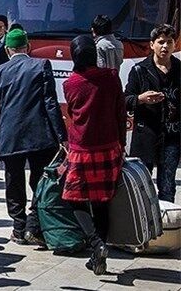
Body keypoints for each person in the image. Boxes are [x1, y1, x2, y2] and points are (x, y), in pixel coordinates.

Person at [0, 29, 67, 246]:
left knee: (13, 181)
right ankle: (34, 226)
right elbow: (50, 103)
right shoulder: (41, 65)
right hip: (39, 134)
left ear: (8, 50)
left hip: (10, 135)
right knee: (40, 181)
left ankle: (18, 227)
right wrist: (61, 136)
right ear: (28, 47)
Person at [62, 35, 126, 276]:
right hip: (109, 147)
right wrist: (121, 144)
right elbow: (120, 112)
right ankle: (100, 252)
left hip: (81, 149)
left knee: (73, 198)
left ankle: (96, 245)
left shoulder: (71, 83)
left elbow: (72, 112)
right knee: (102, 202)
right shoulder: (111, 77)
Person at [125, 24, 180, 202]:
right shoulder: (140, 70)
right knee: (142, 188)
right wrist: (140, 99)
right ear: (152, 45)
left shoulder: (179, 69)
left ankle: (168, 226)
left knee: (167, 186)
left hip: (172, 136)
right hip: (146, 135)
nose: (165, 46)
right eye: (161, 42)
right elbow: (125, 100)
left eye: (169, 42)